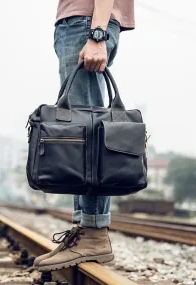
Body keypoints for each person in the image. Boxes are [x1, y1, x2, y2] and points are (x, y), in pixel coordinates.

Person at [34, 0, 135, 272]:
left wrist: (97, 34)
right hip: (82, 24)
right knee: (82, 137)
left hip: (85, 25)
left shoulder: (91, 30)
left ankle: (93, 231)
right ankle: (85, 228)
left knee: (87, 136)